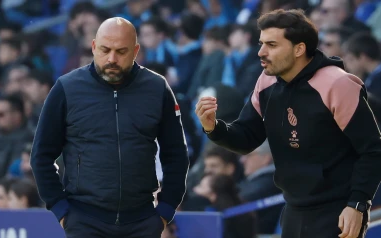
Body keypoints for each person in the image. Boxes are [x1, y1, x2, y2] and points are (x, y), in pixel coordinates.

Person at [195, 9, 381, 238]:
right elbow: (247, 138)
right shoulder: (266, 81)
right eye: (261, 43)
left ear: (299, 49)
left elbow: (372, 150)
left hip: (338, 210)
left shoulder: (337, 84)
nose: (261, 52)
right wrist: (214, 127)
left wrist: (358, 204)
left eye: (271, 45)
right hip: (293, 207)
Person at [30, 17, 189, 238]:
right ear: (94, 47)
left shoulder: (157, 88)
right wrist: (61, 209)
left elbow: (176, 154)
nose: (111, 58)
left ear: (135, 51)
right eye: (105, 50)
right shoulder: (66, 88)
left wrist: (166, 209)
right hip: (84, 221)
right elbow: (41, 155)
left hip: (142, 221)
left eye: (121, 51)